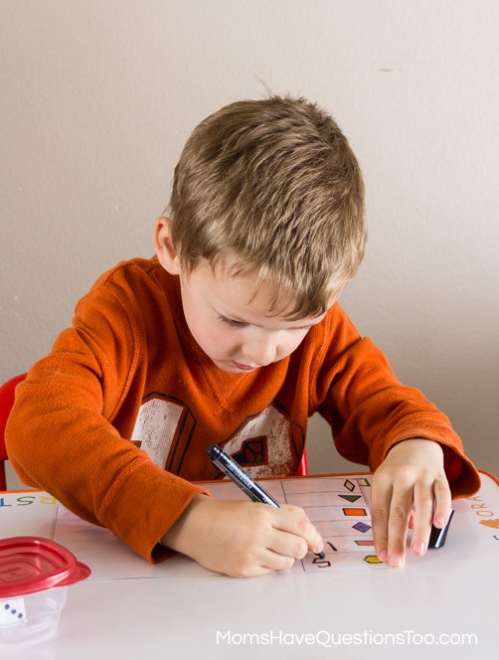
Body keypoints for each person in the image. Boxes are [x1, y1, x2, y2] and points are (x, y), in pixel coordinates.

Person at [6, 96, 480, 577]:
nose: (261, 352)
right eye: (233, 320)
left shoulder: (320, 333)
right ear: (174, 250)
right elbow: (37, 425)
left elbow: (387, 404)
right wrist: (187, 522)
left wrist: (414, 446)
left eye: (295, 326)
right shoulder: (127, 310)